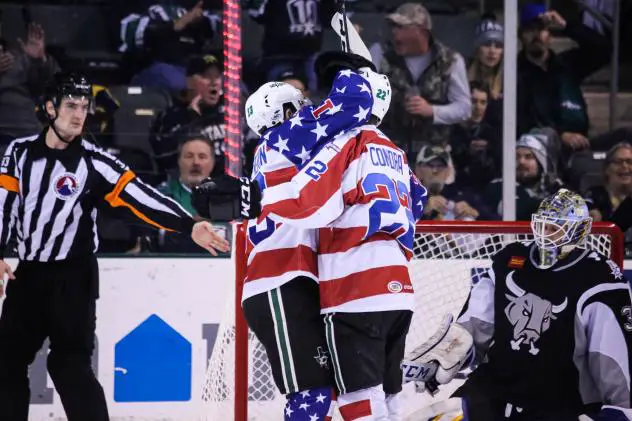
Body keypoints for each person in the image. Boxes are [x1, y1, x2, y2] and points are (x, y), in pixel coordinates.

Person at [196, 68, 428, 420]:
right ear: (284, 115)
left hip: (303, 280)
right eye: (300, 105)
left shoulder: (299, 145)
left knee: (336, 393)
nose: (310, 110)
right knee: (315, 397)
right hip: (279, 280)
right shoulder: (287, 141)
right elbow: (350, 110)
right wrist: (353, 68)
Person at [0, 72, 229, 421]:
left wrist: (189, 224)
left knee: (69, 365)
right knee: (6, 363)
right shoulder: (19, 153)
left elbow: (142, 197)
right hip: (27, 275)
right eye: (70, 105)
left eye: (84, 107)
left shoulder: (95, 162)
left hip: (73, 279)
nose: (79, 114)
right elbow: (3, 202)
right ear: (50, 108)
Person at [402, 189, 632, 421]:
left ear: (578, 231)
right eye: (542, 225)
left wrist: (619, 411)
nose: (545, 234)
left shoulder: (598, 277)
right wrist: (447, 352)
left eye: (554, 229)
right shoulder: (510, 259)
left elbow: (613, 361)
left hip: (560, 402)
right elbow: (475, 325)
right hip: (495, 389)